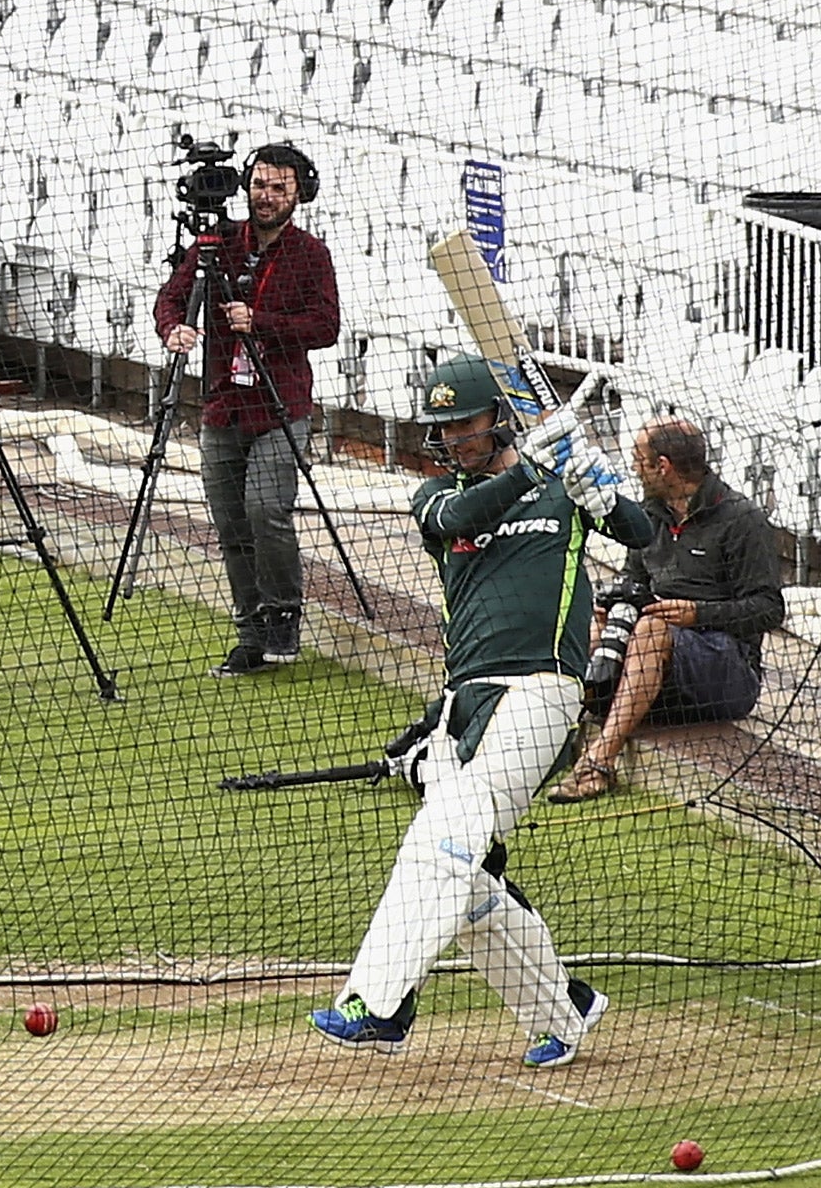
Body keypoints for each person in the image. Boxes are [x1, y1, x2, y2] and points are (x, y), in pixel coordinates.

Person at [311, 355, 654, 1067]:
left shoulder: (558, 490)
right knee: (465, 886)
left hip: (545, 689)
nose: (452, 438)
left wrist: (597, 489)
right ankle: (566, 1007)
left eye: (463, 423)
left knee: (444, 844)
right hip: (465, 702)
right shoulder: (436, 498)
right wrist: (531, 470)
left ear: (495, 417)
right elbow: (467, 513)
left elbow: (644, 534)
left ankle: (378, 1004)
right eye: (442, 427)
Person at [154, 143, 339, 677]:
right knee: (231, 524)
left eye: (279, 187)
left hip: (281, 406)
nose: (267, 196)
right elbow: (171, 297)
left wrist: (259, 322)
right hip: (222, 405)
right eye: (260, 185)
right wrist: (175, 329)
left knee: (266, 509)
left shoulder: (310, 255)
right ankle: (249, 632)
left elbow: (325, 327)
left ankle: (284, 611)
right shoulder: (216, 245)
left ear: (298, 193)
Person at [549, 417, 784, 803]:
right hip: (659, 667)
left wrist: (697, 614)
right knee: (585, 633)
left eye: (639, 459)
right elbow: (634, 580)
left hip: (728, 672)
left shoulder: (742, 519)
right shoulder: (648, 514)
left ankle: (598, 764)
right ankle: (547, 743)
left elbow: (769, 609)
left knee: (650, 631)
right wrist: (611, 611)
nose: (634, 468)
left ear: (663, 465)